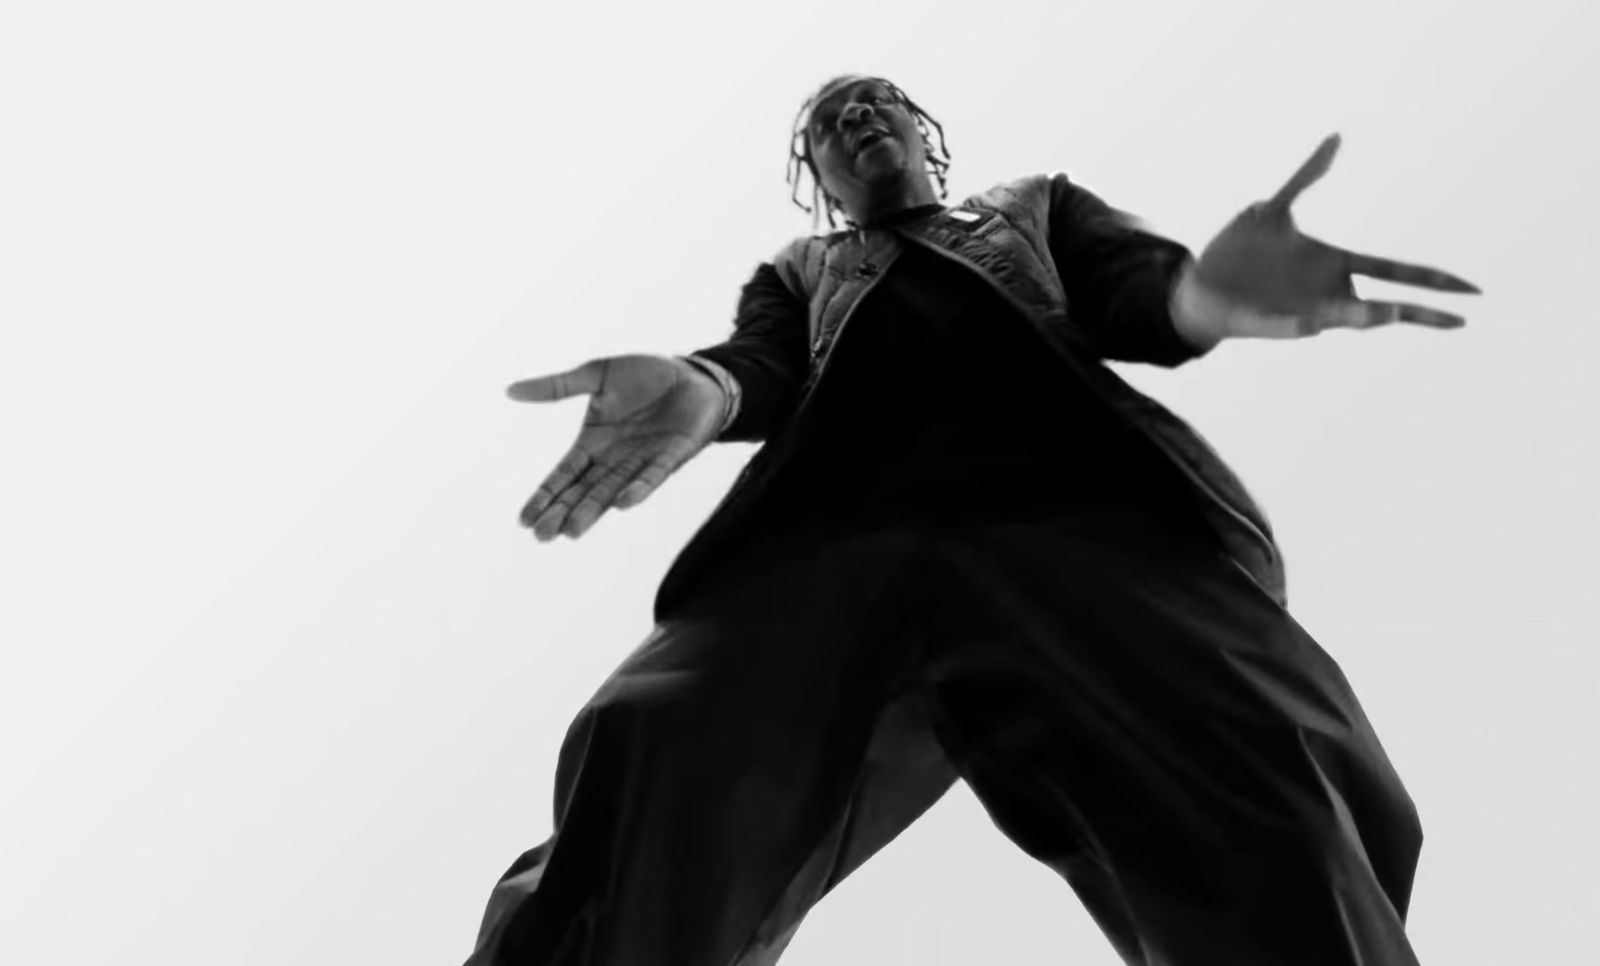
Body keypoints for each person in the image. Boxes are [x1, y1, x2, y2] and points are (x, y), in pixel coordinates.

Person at [463, 74, 1479, 966]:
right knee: (652, 757)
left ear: (922, 135)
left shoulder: (1032, 210)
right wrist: (702, 388)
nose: (856, 115)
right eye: (827, 120)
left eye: (877, 100)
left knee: (1270, 793)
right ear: (817, 171)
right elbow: (761, 366)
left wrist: (1206, 294)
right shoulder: (803, 272)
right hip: (832, 547)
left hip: (1078, 526)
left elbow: (1139, 294)